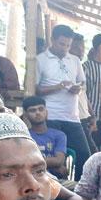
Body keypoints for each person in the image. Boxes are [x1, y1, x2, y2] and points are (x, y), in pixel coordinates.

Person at [35, 25, 90, 179]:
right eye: (61, 44)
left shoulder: (75, 60)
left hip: (72, 116)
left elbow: (83, 83)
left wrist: (77, 88)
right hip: (50, 116)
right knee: (53, 157)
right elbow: (36, 89)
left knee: (83, 154)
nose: (65, 48)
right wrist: (58, 87)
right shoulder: (41, 60)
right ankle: (54, 190)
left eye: (68, 45)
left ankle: (81, 188)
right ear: (52, 40)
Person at [23, 95, 69, 179]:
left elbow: (59, 161)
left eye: (41, 109)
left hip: (57, 182)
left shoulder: (59, 135)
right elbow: (23, 162)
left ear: (46, 112)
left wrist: (33, 163)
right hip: (32, 180)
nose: (37, 113)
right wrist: (53, 164)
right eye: (32, 110)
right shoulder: (24, 136)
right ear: (26, 115)